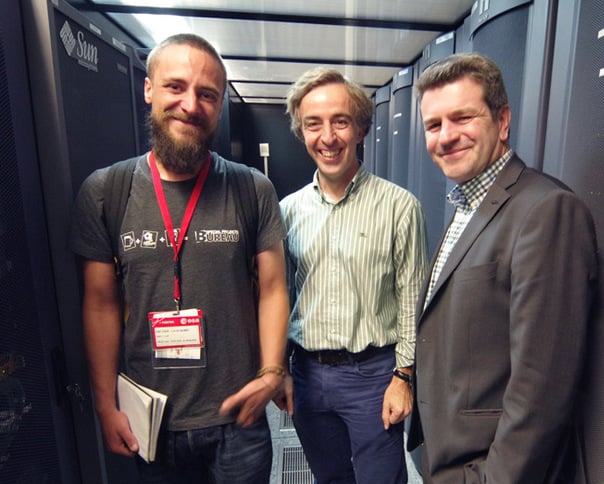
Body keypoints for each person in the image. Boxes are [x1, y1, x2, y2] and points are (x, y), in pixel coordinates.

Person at [69, 33, 289, 483]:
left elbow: (272, 289)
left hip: (238, 419)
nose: (191, 105)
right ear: (148, 89)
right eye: (175, 87)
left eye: (207, 94)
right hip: (151, 421)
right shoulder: (106, 192)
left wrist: (271, 373)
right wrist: (105, 404)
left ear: (220, 104)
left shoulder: (251, 189)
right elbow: (99, 303)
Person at [407, 52, 598, 483]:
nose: (446, 136)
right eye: (433, 125)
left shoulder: (546, 210)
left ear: (502, 120)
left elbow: (542, 387)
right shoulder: (466, 203)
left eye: (462, 118)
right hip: (448, 457)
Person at [277, 67, 428, 484]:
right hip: (307, 376)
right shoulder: (288, 211)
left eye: (340, 122)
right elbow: (280, 297)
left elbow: (413, 299)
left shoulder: (401, 207)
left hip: (375, 378)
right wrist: (279, 368)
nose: (327, 137)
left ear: (361, 129)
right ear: (302, 132)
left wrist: (404, 377)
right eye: (314, 124)